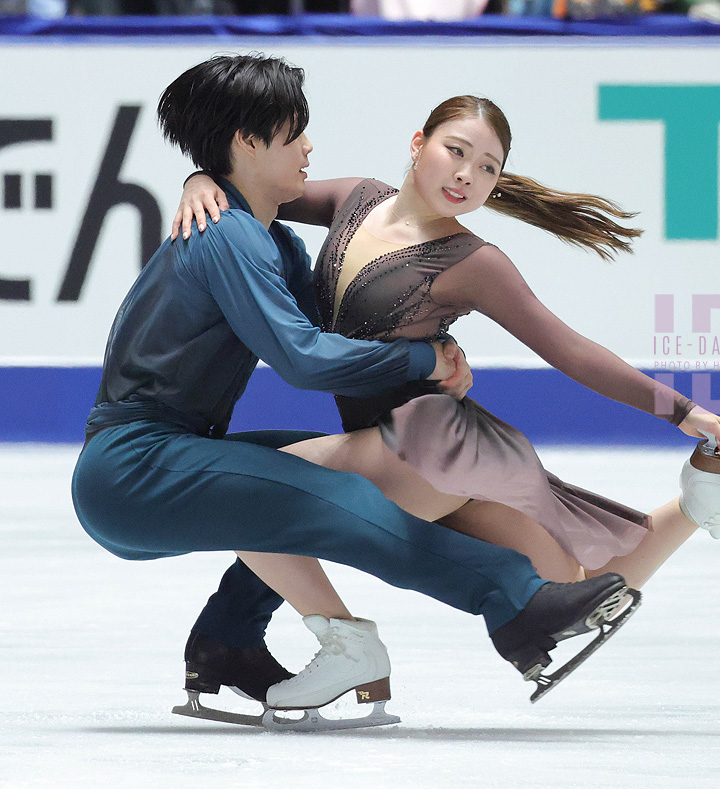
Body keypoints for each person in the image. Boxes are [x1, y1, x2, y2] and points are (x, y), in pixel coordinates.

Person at [174, 93, 720, 707]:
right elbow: (264, 188)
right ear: (418, 142)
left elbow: (569, 349)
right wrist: (201, 181)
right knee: (569, 588)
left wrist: (683, 410)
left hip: (429, 444)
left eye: (487, 168)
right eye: (455, 151)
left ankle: (332, 646)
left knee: (248, 499)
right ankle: (702, 499)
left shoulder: (476, 261)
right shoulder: (355, 199)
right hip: (424, 447)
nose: (466, 175)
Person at [72, 55, 643, 726]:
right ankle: (513, 602)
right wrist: (421, 359)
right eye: (293, 135)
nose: (309, 147)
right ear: (248, 144)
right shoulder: (224, 236)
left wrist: (433, 351)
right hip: (128, 469)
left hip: (170, 454)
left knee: (333, 476)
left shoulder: (273, 242)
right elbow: (305, 360)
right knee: (331, 493)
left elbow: (336, 337)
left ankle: (227, 642)